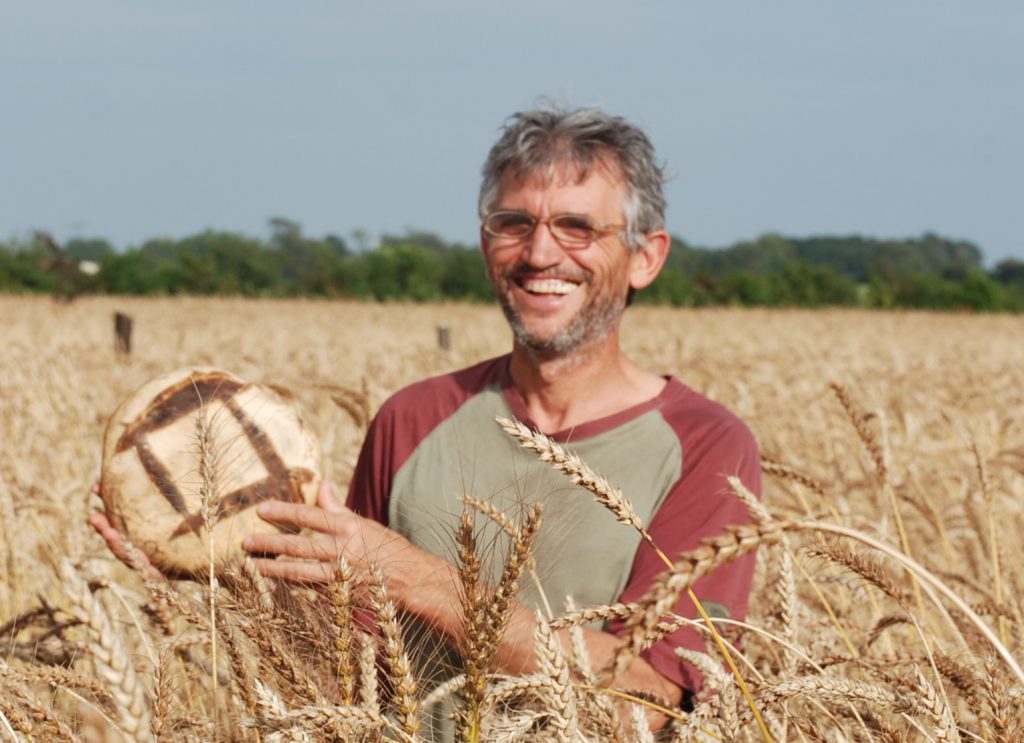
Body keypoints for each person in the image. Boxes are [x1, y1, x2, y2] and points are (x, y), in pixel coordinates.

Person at [92, 105, 761, 736]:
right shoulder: (414, 418)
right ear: (485, 242)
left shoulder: (708, 448)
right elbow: (347, 665)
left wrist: (414, 576)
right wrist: (207, 573)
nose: (540, 253)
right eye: (514, 223)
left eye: (577, 227)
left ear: (647, 256)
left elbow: (644, 704)